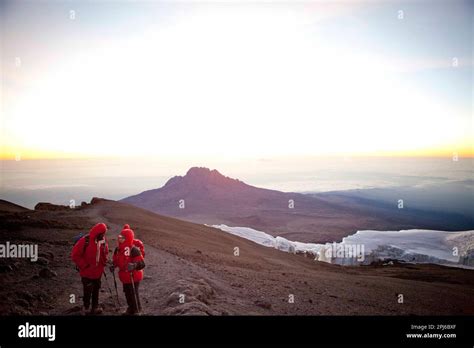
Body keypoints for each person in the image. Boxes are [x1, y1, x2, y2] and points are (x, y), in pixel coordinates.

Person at [71, 223, 109, 315]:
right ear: (98, 233)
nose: (103, 235)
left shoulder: (103, 241)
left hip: (98, 272)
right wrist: (84, 265)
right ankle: (86, 307)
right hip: (87, 272)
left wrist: (104, 262)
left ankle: (95, 307)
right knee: (87, 290)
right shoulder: (85, 241)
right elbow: (75, 255)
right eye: (102, 233)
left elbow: (105, 252)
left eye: (104, 233)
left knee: (96, 290)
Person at [112, 227, 145, 315]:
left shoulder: (134, 250)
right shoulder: (118, 249)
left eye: (122, 237)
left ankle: (138, 310)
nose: (120, 239)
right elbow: (115, 260)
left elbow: (142, 264)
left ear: (127, 238)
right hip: (124, 276)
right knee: (127, 292)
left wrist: (134, 265)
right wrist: (113, 265)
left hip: (134, 275)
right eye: (119, 237)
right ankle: (130, 308)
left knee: (133, 292)